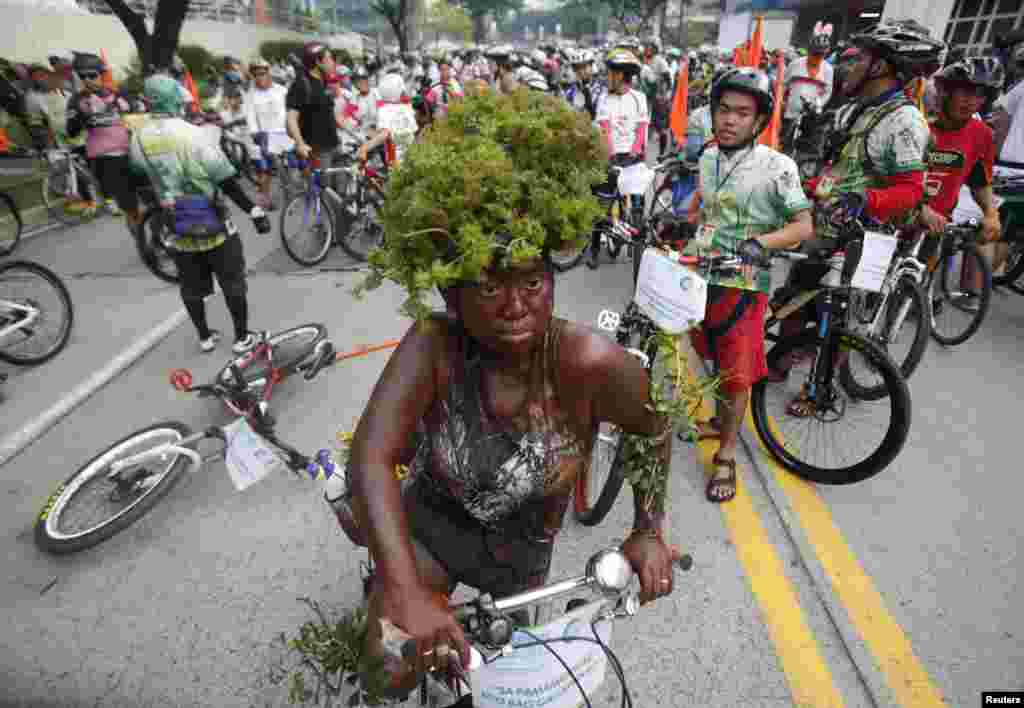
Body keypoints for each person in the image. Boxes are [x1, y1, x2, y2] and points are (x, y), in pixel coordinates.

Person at [333, 88, 680, 698]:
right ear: (451, 295)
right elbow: (372, 454)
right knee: (388, 671)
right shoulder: (435, 343)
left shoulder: (590, 362)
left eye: (533, 281)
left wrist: (649, 527)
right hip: (429, 538)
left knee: (509, 682)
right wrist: (405, 590)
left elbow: (652, 429)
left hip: (522, 565)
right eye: (491, 285)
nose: (517, 304)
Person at [770, 21, 942, 401]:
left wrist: (865, 200)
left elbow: (911, 191)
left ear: (879, 67)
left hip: (864, 239)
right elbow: (844, 172)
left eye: (859, 58)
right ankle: (784, 360)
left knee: (838, 315)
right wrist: (805, 188)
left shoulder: (905, 121)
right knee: (794, 294)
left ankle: (820, 391)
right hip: (826, 226)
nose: (848, 65)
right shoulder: (858, 111)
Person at [679, 68, 813, 503]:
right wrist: (687, 217)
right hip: (703, 277)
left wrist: (763, 242)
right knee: (710, 357)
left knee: (737, 377)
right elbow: (705, 209)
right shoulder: (708, 157)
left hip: (744, 285)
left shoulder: (778, 167)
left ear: (758, 121)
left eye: (741, 113)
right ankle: (718, 423)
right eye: (723, 110)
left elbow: (803, 226)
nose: (729, 120)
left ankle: (728, 455)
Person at [130, 74, 271, 354]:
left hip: (176, 227)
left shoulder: (138, 138)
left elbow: (139, 178)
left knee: (190, 285)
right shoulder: (194, 134)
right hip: (214, 223)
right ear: (175, 100)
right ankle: (242, 338)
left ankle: (205, 336)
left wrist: (165, 202)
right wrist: (252, 209)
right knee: (232, 281)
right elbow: (224, 179)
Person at [919, 57, 1003, 278]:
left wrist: (991, 213)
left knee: (918, 298)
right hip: (896, 218)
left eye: (979, 95)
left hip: (936, 226)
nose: (971, 101)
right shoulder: (918, 122)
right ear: (946, 91)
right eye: (965, 92)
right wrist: (918, 208)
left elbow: (980, 182)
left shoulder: (982, 134)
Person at [65, 52, 144, 225]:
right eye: (82, 76)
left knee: (151, 199)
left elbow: (140, 114)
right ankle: (141, 240)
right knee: (130, 206)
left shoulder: (119, 92)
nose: (87, 80)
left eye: (92, 75)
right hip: (106, 159)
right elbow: (70, 131)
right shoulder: (76, 101)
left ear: (102, 74)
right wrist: (83, 116)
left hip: (133, 152)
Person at [591, 48, 648, 268]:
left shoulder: (639, 98)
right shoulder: (604, 99)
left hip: (632, 157)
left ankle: (638, 244)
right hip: (610, 156)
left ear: (622, 75)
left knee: (637, 206)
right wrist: (612, 156)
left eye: (611, 73)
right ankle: (594, 249)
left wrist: (635, 151)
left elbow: (642, 128)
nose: (608, 77)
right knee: (602, 205)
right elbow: (604, 130)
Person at [246, 57, 292, 211]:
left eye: (263, 73)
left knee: (295, 164)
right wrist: (255, 133)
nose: (260, 77)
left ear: (269, 73)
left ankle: (297, 193)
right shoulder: (251, 95)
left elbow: (291, 111)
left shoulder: (282, 90)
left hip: (284, 133)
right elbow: (250, 116)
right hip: (264, 135)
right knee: (266, 171)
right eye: (256, 74)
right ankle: (265, 199)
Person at [286, 42, 340, 165]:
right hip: (317, 151)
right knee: (324, 184)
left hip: (335, 146)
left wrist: (355, 134)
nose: (333, 62)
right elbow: (291, 118)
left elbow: (331, 114)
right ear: (318, 62)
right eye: (329, 58)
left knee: (345, 183)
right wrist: (300, 144)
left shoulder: (324, 82)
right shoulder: (301, 85)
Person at [782, 31, 834, 148]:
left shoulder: (828, 69)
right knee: (785, 143)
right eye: (814, 54)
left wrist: (818, 104)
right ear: (809, 51)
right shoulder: (795, 64)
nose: (816, 57)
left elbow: (828, 92)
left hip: (811, 114)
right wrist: (781, 101)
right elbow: (783, 85)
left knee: (805, 146)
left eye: (820, 55)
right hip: (790, 112)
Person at [357, 74, 417, 167]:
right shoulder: (407, 108)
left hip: (395, 160)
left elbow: (385, 134)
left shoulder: (384, 110)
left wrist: (365, 147)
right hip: (412, 156)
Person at [425, 54, 464, 121]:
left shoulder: (455, 83)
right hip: (440, 117)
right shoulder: (435, 85)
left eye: (447, 69)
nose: (445, 72)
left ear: (450, 69)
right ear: (439, 71)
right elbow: (428, 102)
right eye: (442, 70)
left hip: (454, 117)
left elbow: (461, 98)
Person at [563, 49, 598, 120]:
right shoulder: (570, 91)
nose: (581, 71)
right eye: (577, 68)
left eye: (584, 67)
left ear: (592, 66)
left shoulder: (602, 89)